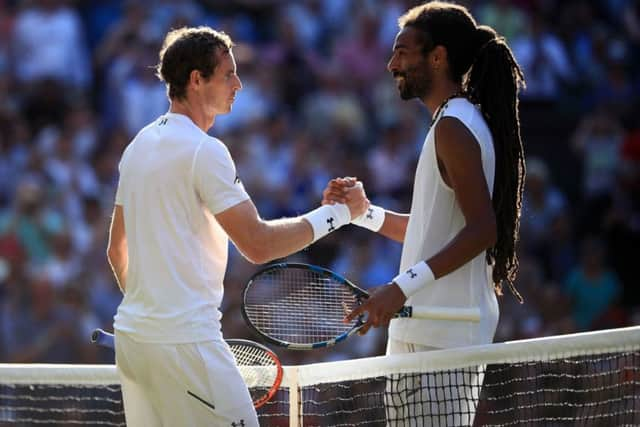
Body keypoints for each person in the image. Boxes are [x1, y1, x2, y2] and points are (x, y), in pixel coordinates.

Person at [106, 26, 367, 427]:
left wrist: (153, 311)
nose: (239, 84)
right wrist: (338, 215)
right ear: (197, 80)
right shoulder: (205, 150)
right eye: (228, 74)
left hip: (133, 342)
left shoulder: (137, 144)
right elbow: (258, 245)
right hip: (185, 344)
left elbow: (115, 251)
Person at [323, 2, 526, 425]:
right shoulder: (452, 122)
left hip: (444, 334)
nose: (390, 63)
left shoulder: (454, 125)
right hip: (433, 330)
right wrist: (366, 213)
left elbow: (482, 229)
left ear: (438, 57)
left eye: (403, 52)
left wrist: (399, 288)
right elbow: (436, 231)